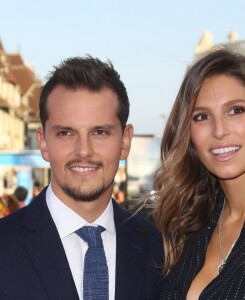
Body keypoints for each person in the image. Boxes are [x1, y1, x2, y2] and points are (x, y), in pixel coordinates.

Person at [0, 56, 163, 299]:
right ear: (43, 142)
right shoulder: (4, 246)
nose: (83, 150)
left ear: (125, 141)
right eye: (66, 133)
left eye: (100, 132)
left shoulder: (155, 247)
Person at [153, 48, 245, 299]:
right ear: (189, 135)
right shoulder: (186, 226)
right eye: (202, 116)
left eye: (235, 111)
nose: (219, 130)